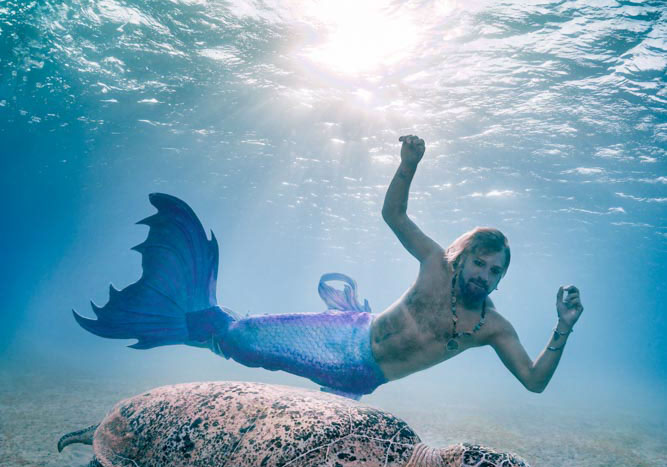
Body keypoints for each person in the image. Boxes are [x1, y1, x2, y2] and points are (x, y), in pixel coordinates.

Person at [74, 135, 583, 399]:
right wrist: (408, 165)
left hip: (364, 381)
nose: (484, 277)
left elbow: (534, 381)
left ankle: (193, 320)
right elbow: (394, 215)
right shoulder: (434, 265)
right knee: (244, 342)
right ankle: (185, 309)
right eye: (480, 264)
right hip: (345, 339)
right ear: (463, 256)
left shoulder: (491, 327)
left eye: (495, 273)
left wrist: (562, 327)